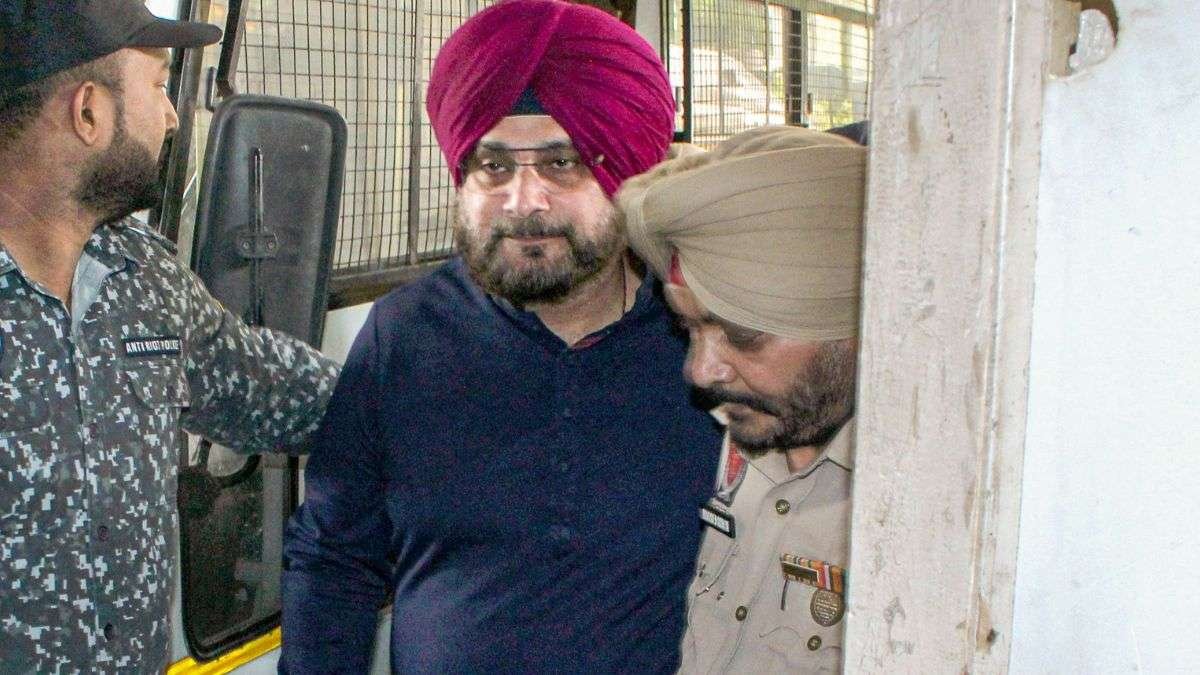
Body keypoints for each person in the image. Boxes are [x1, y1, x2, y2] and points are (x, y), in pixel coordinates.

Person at [279, 1, 722, 672]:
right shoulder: (406, 335)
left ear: (626, 175)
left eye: (562, 162)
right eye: (493, 166)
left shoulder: (709, 338)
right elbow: (334, 558)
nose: (524, 201)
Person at [0, 1, 340, 671]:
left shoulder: (142, 274)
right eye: (158, 85)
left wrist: (437, 390)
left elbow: (264, 386)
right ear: (88, 112)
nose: (172, 115)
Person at [618, 125, 867, 673]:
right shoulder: (756, 431)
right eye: (688, 329)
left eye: (742, 335)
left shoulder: (928, 508)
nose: (701, 371)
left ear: (850, 318)